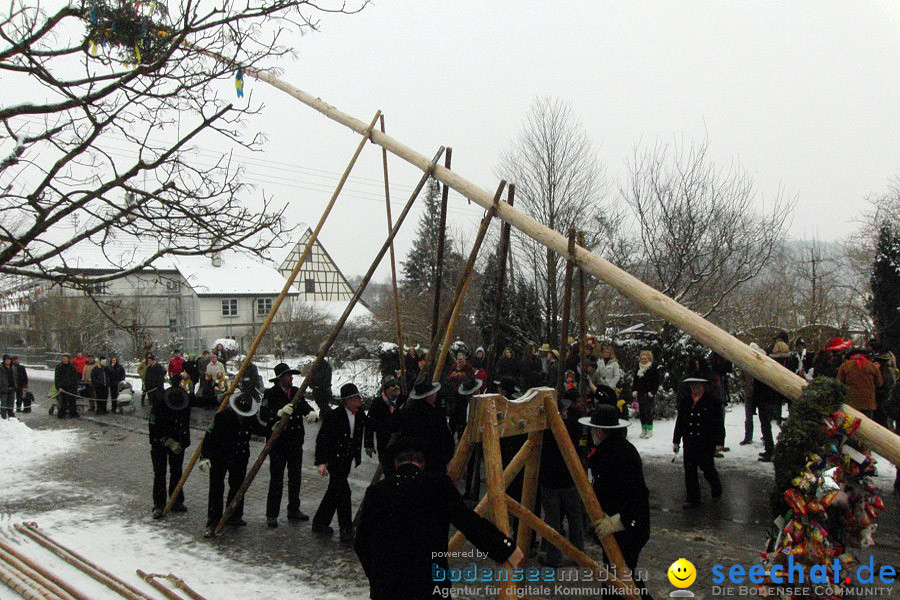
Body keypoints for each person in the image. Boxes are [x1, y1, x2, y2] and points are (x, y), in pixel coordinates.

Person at [354, 436, 523, 600]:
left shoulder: (377, 491)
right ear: (422, 463)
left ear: (397, 463)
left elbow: (361, 541)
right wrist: (505, 547)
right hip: (429, 585)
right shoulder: (438, 486)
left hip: (388, 588)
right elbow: (469, 523)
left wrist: (377, 577)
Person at [580, 404, 651, 599]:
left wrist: (618, 522)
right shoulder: (605, 451)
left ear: (601, 432)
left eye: (594, 429)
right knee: (618, 576)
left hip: (628, 530)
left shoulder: (622, 455)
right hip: (612, 528)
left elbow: (637, 496)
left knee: (622, 577)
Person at [199, 390, 264, 538]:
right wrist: (204, 459)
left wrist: (274, 425)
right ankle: (213, 521)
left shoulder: (249, 417)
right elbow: (209, 439)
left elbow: (259, 429)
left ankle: (233, 515)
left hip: (239, 458)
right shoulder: (222, 417)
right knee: (216, 488)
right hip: (219, 457)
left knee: (237, 486)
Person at [260, 362, 316, 527]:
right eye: (287, 375)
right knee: (276, 479)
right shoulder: (270, 393)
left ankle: (293, 509)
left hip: (295, 441)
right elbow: (263, 414)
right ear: (280, 379)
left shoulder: (296, 392)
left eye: (291, 375)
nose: (290, 378)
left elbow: (304, 406)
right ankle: (272, 514)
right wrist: (277, 414)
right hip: (278, 443)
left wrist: (311, 412)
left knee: (295, 477)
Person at [313, 383, 368, 543]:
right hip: (334, 459)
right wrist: (321, 462)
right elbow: (322, 439)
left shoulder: (359, 415)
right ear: (347, 401)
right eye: (355, 398)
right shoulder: (334, 416)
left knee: (334, 491)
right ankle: (346, 528)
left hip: (347, 458)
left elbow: (369, 426)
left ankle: (320, 522)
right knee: (344, 493)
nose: (359, 400)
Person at [539, 389, 584, 568]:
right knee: (574, 516)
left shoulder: (544, 431)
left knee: (553, 520)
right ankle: (578, 553)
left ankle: (554, 555)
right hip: (568, 477)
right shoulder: (574, 426)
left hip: (550, 480)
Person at [673, 368, 723, 509]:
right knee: (690, 470)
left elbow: (718, 423)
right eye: (693, 385)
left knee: (707, 468)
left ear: (703, 386)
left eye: (698, 385)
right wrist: (676, 440)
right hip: (689, 441)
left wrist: (719, 441)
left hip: (706, 442)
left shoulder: (712, 401)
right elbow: (680, 421)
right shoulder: (685, 401)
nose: (695, 387)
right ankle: (693, 498)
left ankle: (716, 487)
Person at [148, 356, 190, 519]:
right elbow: (153, 428)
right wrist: (168, 442)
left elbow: (185, 422)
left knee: (177, 472)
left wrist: (182, 442)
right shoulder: (160, 404)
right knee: (160, 474)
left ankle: (176, 501)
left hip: (177, 443)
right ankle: (159, 505)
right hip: (160, 443)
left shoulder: (184, 400)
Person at [396, 381, 454, 475]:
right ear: (428, 396)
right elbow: (445, 437)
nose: (435, 395)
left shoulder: (408, 412)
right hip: (433, 459)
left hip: (412, 459)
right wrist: (447, 455)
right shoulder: (435, 415)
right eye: (433, 393)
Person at [364, 376, 405, 474]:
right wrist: (368, 444)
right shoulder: (377, 403)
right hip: (384, 442)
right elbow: (369, 424)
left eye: (396, 384)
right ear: (385, 389)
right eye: (391, 385)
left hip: (402, 443)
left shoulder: (404, 400)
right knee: (388, 469)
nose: (396, 387)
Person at [837, 348, 883, 418]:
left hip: (851, 403)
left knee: (851, 425)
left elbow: (839, 383)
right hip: (868, 403)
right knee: (868, 425)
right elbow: (879, 383)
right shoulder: (872, 366)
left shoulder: (845, 366)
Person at [631, 350, 660, 439]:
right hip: (640, 392)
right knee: (642, 411)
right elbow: (635, 380)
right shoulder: (638, 368)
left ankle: (649, 429)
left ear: (649, 359)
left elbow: (656, 381)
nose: (643, 360)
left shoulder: (652, 368)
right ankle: (643, 428)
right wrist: (634, 390)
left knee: (648, 411)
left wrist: (653, 392)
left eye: (645, 359)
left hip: (649, 393)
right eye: (642, 359)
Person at [739, 343, 761, 446]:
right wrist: (745, 386)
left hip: (759, 393)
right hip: (749, 392)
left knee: (763, 417)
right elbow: (741, 376)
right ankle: (748, 437)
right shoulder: (745, 363)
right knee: (748, 417)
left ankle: (765, 438)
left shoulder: (761, 363)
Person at [54, 353, 80, 419]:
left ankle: (73, 413)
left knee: (72, 401)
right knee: (63, 401)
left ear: (68, 359)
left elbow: (75, 377)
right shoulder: (59, 367)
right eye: (63, 359)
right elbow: (57, 378)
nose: (64, 360)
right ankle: (62, 414)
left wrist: (75, 386)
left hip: (71, 387)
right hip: (63, 387)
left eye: (66, 359)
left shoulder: (72, 367)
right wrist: (59, 387)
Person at [0, 354, 16, 419]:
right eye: (7, 360)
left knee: (11, 403)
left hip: (12, 388)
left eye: (9, 359)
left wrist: (15, 386)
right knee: (4, 403)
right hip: (4, 389)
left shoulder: (12, 367)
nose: (8, 361)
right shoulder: (1, 368)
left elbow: (15, 377)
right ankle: (3, 417)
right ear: (4, 360)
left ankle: (11, 416)